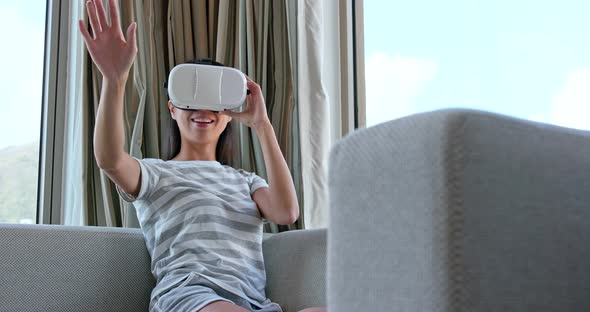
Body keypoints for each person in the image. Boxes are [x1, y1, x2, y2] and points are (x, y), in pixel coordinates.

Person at [78, 1, 327, 312]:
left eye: (214, 102)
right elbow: (110, 159)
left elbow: (287, 212)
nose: (203, 110)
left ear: (228, 114)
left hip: (253, 304)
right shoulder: (155, 174)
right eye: (190, 99)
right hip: (187, 298)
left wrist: (262, 125)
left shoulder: (245, 181)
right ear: (172, 107)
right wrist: (114, 80)